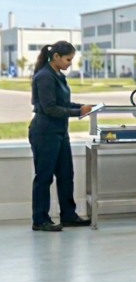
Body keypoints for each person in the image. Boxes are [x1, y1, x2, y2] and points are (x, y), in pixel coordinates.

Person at [29, 41, 93, 232]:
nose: (70, 63)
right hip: (45, 132)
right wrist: (77, 112)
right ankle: (40, 220)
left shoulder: (58, 76)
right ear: (56, 57)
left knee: (66, 174)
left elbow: (62, 102)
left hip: (59, 132)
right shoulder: (44, 77)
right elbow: (50, 108)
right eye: (68, 59)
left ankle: (68, 215)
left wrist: (81, 107)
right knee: (45, 176)